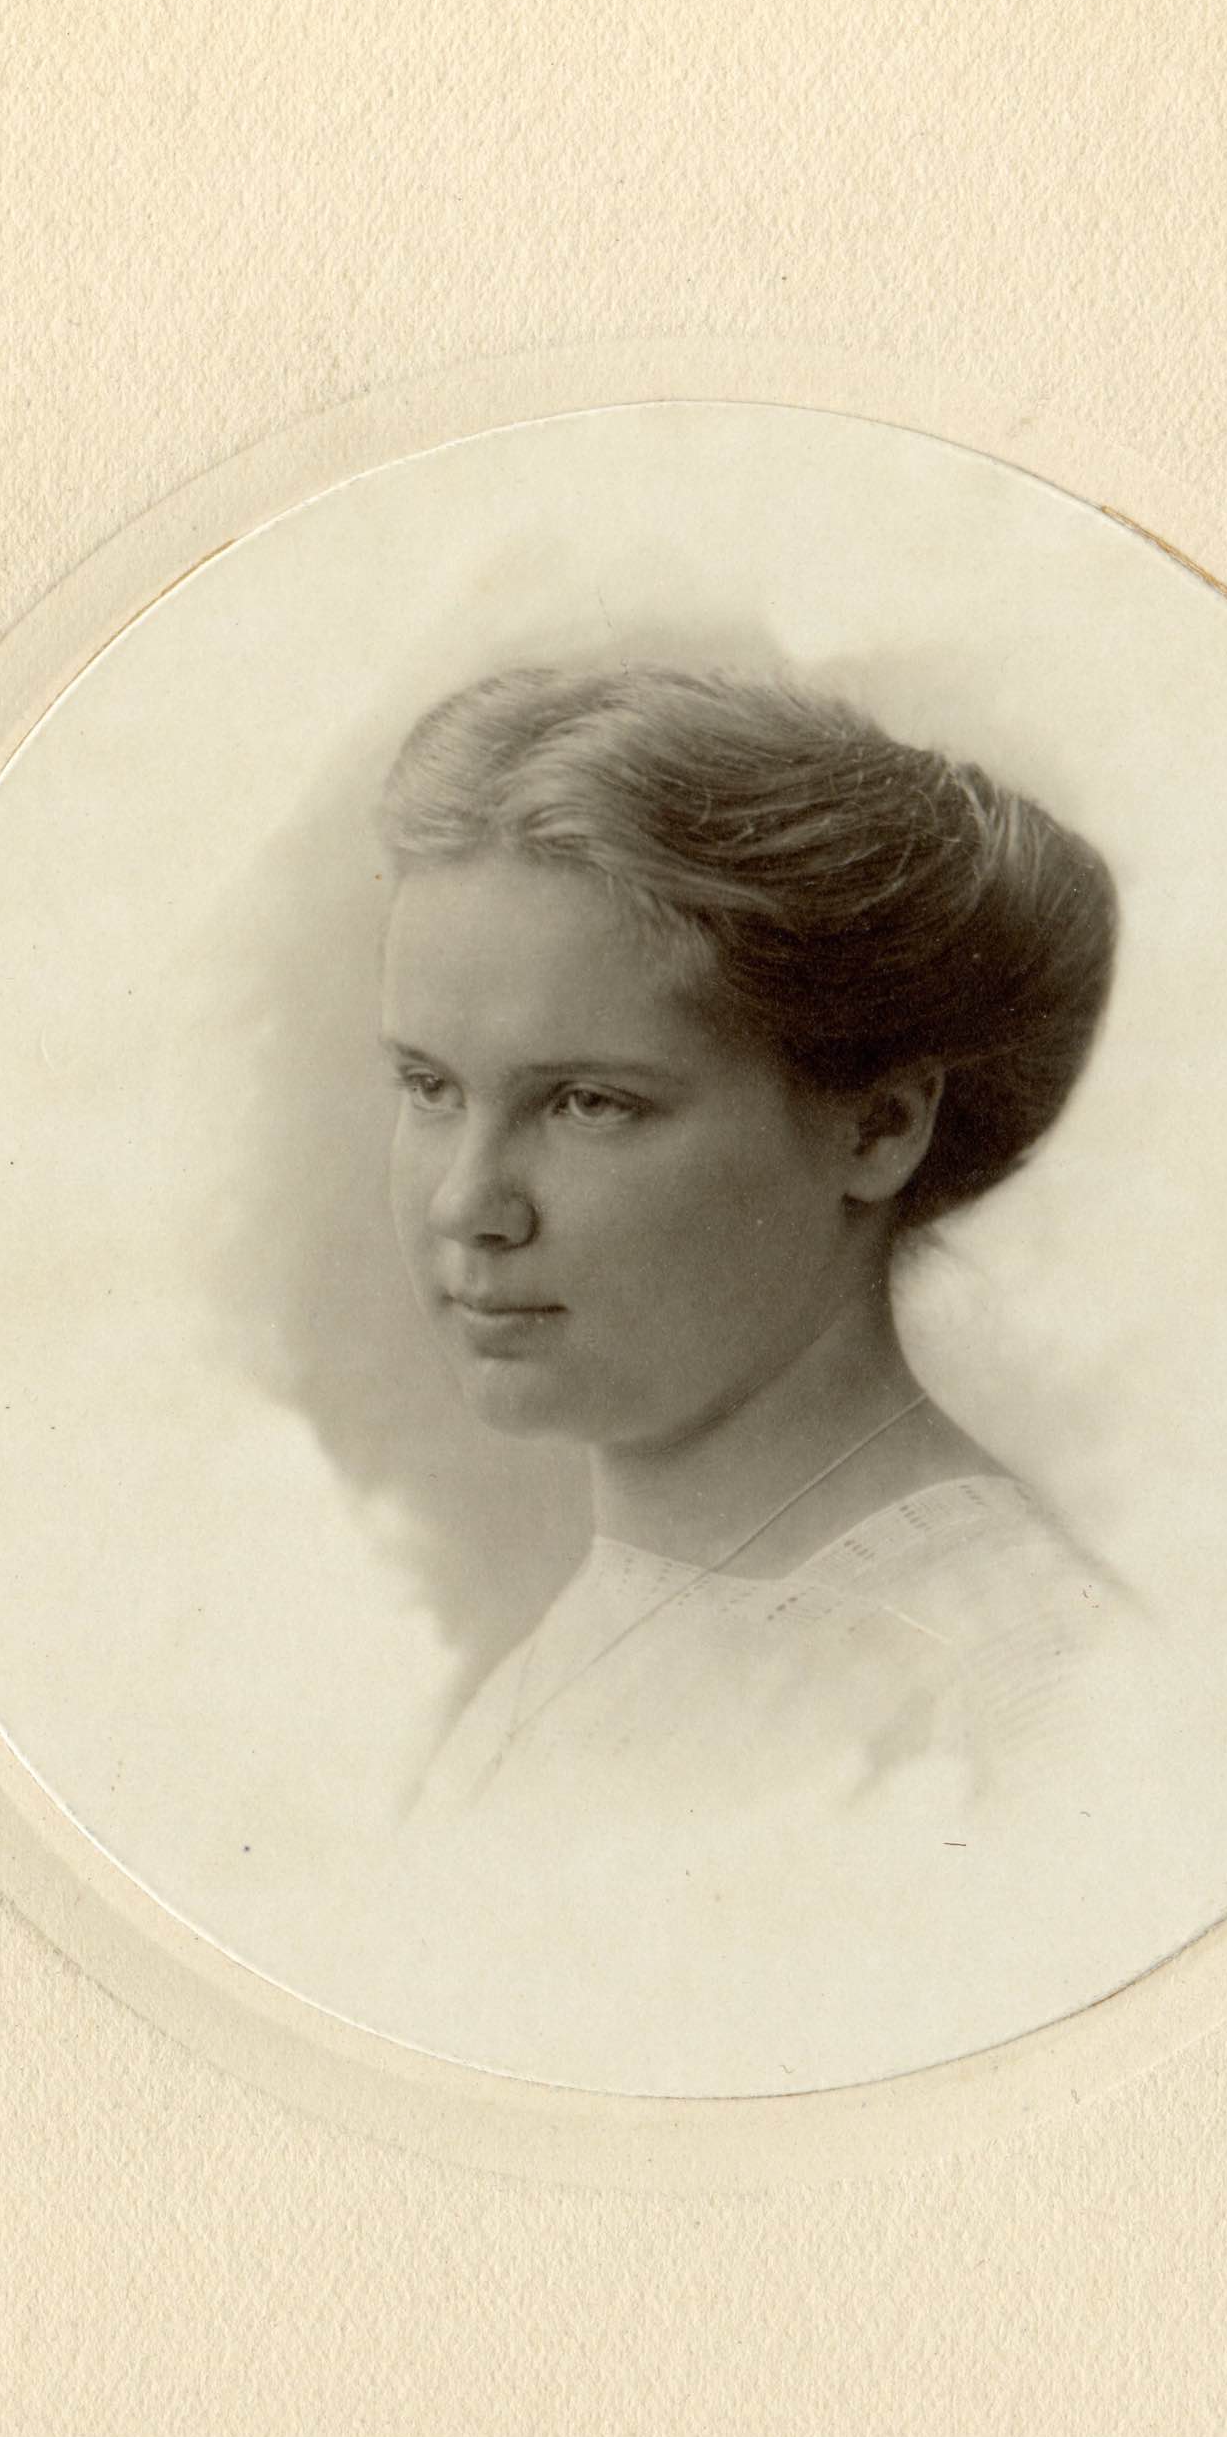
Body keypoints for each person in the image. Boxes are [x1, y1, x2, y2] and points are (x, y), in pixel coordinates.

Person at [374, 661, 1130, 1901]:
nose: (468, 1204)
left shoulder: (1026, 1693)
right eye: (429, 1087)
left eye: (589, 1103)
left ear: (878, 1126)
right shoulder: (611, 1624)